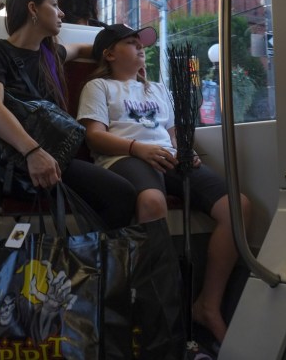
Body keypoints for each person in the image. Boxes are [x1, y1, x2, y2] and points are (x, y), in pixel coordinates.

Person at [0, 0, 136, 360]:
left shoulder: (51, 55)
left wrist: (112, 50)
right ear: (33, 9)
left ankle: (94, 306)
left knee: (121, 196)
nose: (61, 12)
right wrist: (32, 151)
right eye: (53, 5)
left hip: (44, 157)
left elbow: (82, 47)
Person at [76, 23, 252, 343]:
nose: (141, 48)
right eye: (131, 43)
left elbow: (172, 135)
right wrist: (137, 148)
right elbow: (94, 136)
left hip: (166, 156)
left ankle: (207, 305)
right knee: (152, 202)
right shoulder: (99, 87)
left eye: (141, 44)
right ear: (109, 53)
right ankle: (161, 313)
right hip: (123, 158)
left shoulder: (158, 88)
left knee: (237, 207)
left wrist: (188, 152)